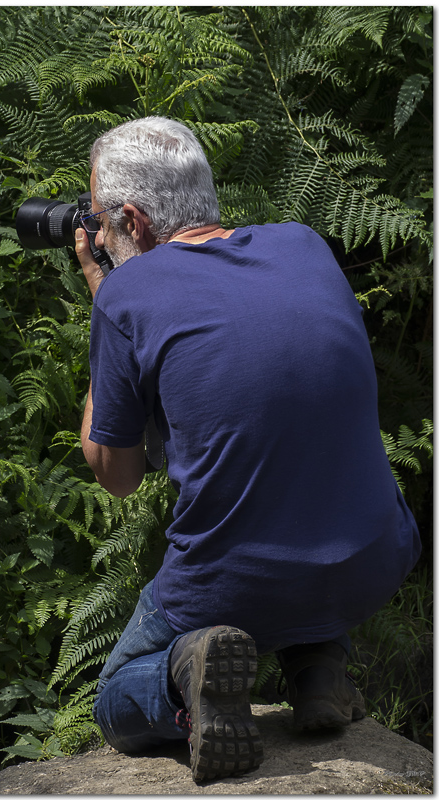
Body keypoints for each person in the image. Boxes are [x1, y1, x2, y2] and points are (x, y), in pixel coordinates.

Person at [74, 117, 421, 782]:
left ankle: (184, 684)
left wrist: (104, 299)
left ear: (132, 220)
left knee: (114, 697)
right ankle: (318, 671)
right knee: (299, 485)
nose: (93, 236)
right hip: (376, 558)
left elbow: (113, 474)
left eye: (97, 220)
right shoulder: (304, 246)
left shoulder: (125, 294)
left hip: (234, 588)